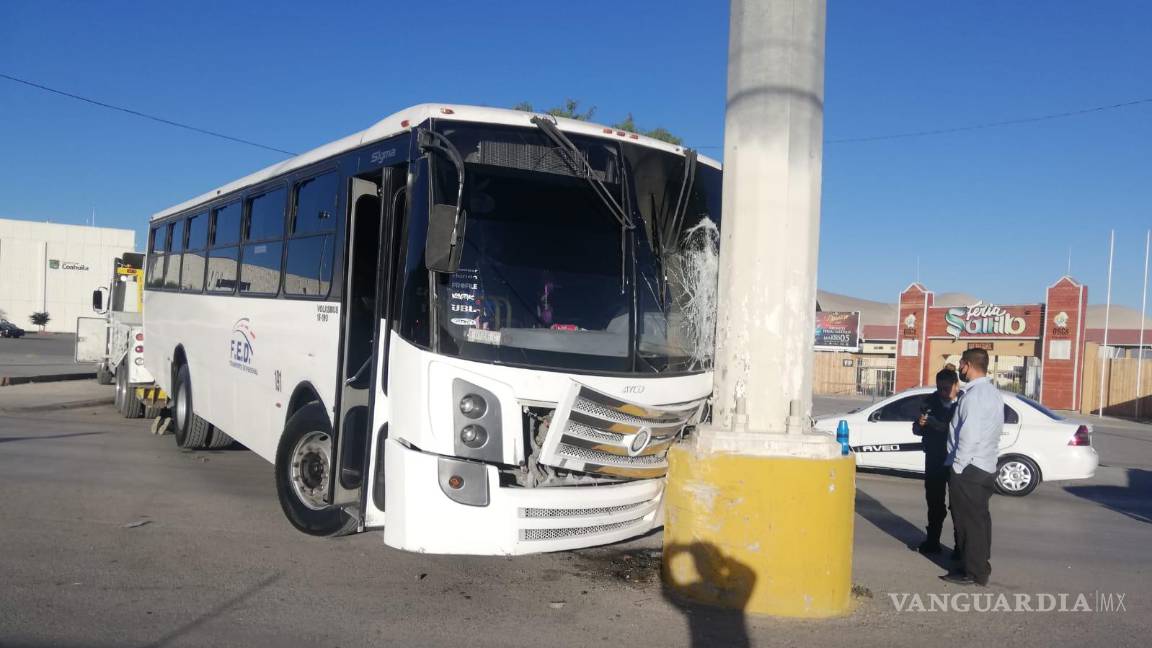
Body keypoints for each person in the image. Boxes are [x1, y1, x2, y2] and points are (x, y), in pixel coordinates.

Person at [941, 348, 1002, 586]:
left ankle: (973, 572)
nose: (960, 371)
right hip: (984, 465)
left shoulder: (974, 396)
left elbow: (969, 436)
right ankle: (978, 565)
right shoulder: (992, 392)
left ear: (968, 365)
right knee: (979, 521)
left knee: (968, 523)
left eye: (961, 365)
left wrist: (957, 467)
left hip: (969, 468)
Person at [913, 368, 959, 555]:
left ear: (957, 386)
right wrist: (920, 424)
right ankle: (932, 542)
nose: (943, 392)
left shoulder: (964, 403)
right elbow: (917, 429)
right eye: (940, 388)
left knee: (957, 506)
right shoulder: (929, 402)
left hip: (957, 460)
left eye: (946, 388)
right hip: (934, 459)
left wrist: (932, 422)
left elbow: (949, 429)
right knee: (934, 504)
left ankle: (960, 547)